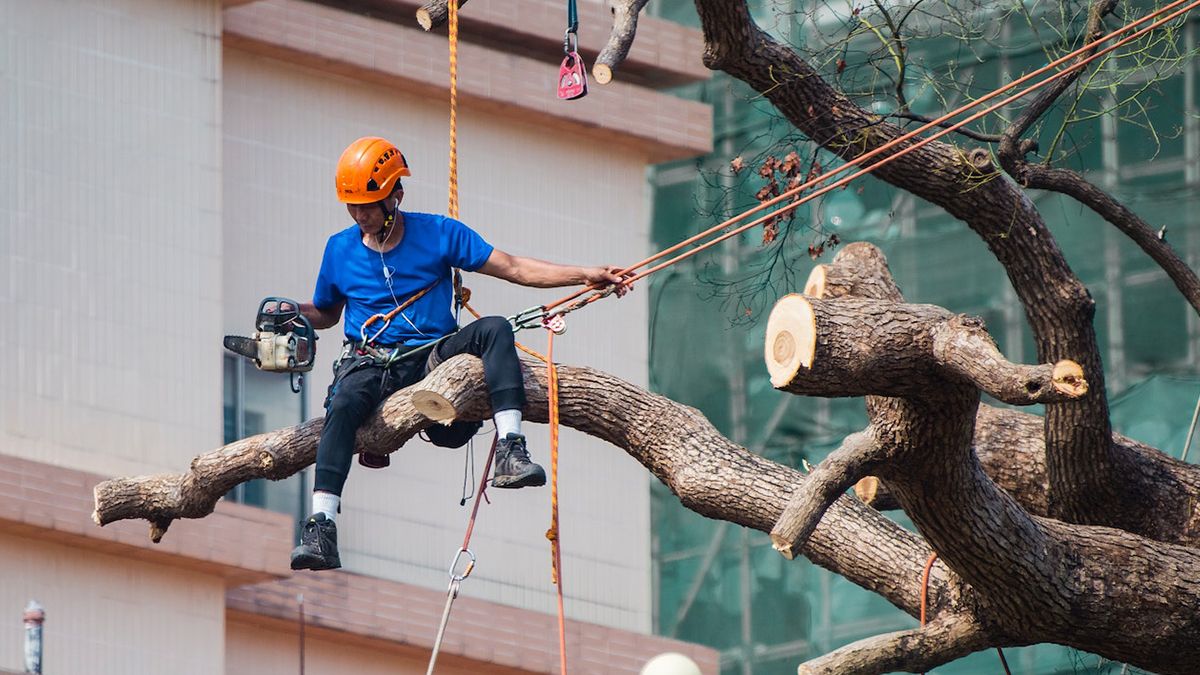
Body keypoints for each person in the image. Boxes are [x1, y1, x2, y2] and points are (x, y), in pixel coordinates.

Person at [288, 136, 630, 571]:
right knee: (342, 405)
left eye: (368, 206)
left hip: (432, 357)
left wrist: (584, 275)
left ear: (396, 195)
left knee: (495, 328)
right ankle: (322, 526)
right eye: (352, 207)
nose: (360, 215)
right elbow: (327, 312)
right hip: (371, 361)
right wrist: (292, 312)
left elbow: (514, 267)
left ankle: (510, 448)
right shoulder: (340, 249)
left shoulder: (438, 234)